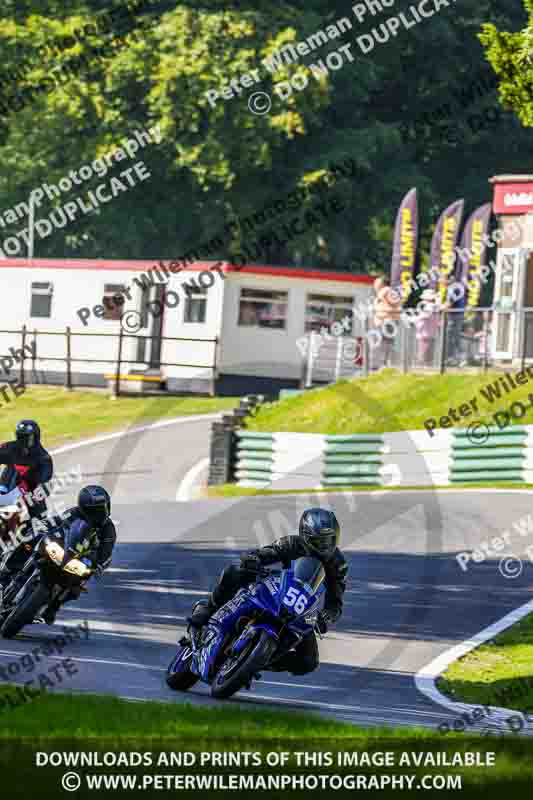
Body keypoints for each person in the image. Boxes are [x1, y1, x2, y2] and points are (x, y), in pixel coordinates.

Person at [189, 508, 348, 676]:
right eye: (319, 542)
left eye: (329, 541)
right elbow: (269, 552)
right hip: (278, 590)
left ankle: (259, 661)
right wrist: (254, 559)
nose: (325, 546)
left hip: (301, 608)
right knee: (234, 572)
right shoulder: (292, 544)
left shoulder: (338, 565)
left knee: (308, 662)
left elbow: (335, 601)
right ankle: (209, 608)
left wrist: (327, 616)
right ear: (305, 536)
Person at [0, 485, 116, 624]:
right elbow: (56, 521)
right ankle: (6, 571)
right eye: (93, 510)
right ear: (83, 508)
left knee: (78, 586)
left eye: (102, 509)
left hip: (80, 559)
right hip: (62, 548)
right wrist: (40, 524)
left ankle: (54, 606)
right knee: (29, 539)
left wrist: (99, 565)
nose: (98, 514)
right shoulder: (74, 513)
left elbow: (106, 552)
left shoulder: (108, 529)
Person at [0, 420, 53, 523]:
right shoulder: (9, 448)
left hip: (30, 491)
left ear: (36, 438)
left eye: (27, 438)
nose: (23, 441)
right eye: (21, 437)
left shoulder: (43, 458)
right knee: (12, 468)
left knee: (41, 524)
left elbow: (45, 481)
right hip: (7, 488)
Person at [373, 276, 402, 369]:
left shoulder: (386, 291)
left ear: (382, 284)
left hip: (387, 321)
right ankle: (385, 364)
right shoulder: (385, 292)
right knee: (385, 343)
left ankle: (384, 364)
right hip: (385, 321)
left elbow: (396, 304)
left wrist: (384, 309)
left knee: (384, 343)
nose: (374, 285)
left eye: (376, 283)